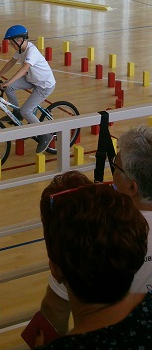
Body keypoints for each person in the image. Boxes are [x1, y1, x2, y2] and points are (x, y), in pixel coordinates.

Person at [40, 127, 152, 334]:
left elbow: (54, 309)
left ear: (132, 187)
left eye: (115, 168)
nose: (112, 174)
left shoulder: (105, 231)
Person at [0, 25, 55, 154]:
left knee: (26, 111)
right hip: (32, 79)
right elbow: (11, 63)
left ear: (19, 40)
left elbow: (24, 68)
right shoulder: (20, 50)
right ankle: (17, 114)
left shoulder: (31, 51)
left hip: (44, 85)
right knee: (10, 88)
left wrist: (8, 81)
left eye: (11, 42)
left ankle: (46, 135)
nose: (10, 45)